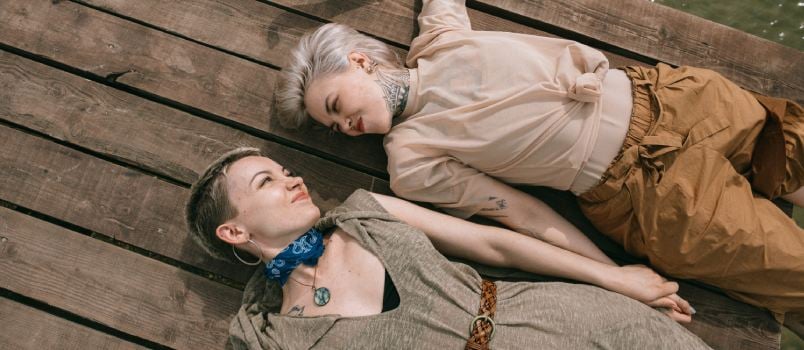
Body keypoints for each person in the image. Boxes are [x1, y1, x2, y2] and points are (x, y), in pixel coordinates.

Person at [274, 0, 804, 329]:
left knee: (793, 155)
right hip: (656, 196)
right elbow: (522, 215)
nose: (345, 127)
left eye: (337, 106)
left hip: (672, 99)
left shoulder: (438, 40)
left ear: (360, 62)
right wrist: (614, 277)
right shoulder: (412, 160)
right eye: (333, 127)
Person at [185, 147, 708, 349]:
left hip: (564, 321)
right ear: (235, 231)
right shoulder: (272, 337)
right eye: (265, 182)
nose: (291, 178)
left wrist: (614, 277)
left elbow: (493, 242)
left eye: (284, 169)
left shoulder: (364, 210)